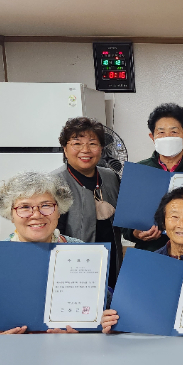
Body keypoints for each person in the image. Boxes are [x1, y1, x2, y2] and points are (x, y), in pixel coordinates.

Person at [0, 172, 83, 334]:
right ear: (10, 214)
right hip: (9, 348)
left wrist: (81, 331)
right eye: (25, 207)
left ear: (59, 210)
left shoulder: (81, 250)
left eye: (46, 205)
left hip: (67, 347)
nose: (37, 215)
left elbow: (100, 303)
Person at [101, 187, 183, 333]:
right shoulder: (145, 266)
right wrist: (113, 322)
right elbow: (130, 314)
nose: (181, 224)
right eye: (174, 217)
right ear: (163, 223)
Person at [121, 103, 183, 253]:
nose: (167, 137)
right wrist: (135, 233)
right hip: (150, 251)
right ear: (152, 137)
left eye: (174, 132)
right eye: (161, 132)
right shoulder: (139, 171)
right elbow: (125, 223)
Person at [53, 117, 123, 289]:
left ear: (101, 149)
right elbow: (53, 234)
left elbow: (123, 218)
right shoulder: (54, 182)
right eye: (77, 143)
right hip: (75, 266)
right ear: (65, 148)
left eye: (93, 143)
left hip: (112, 258)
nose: (85, 150)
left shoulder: (110, 176)